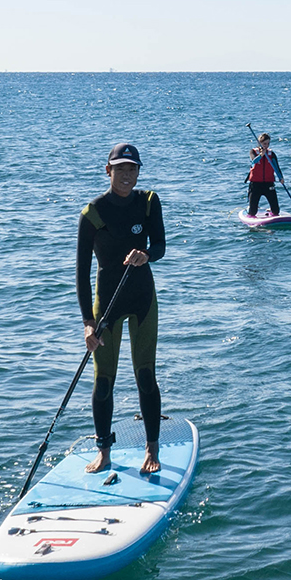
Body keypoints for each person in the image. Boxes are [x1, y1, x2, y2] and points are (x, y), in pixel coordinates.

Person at [76, 142, 167, 476]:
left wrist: (148, 256)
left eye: (133, 169)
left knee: (145, 376)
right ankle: (104, 451)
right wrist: (88, 322)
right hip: (107, 306)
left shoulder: (148, 202)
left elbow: (159, 245)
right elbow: (81, 273)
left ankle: (152, 448)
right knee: (103, 382)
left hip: (142, 300)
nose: (127, 175)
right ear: (108, 171)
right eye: (121, 169)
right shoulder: (93, 213)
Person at [247, 132, 283, 217]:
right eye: (264, 144)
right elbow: (253, 161)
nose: (266, 146)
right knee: (253, 212)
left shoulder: (271, 154)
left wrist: (281, 177)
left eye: (268, 144)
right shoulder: (253, 152)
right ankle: (250, 208)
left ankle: (271, 210)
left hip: (268, 183)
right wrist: (261, 155)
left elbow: (276, 167)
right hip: (256, 184)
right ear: (259, 143)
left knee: (276, 211)